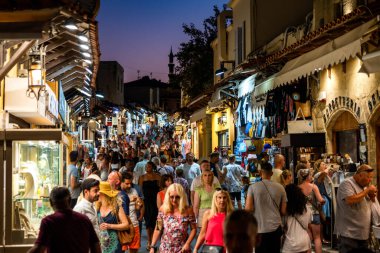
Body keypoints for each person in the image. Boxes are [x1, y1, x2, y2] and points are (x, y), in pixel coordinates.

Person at [27, 187, 101, 253]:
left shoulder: (48, 221)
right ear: (69, 200)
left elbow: (39, 249)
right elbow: (96, 246)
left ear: (51, 202)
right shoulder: (84, 219)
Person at [245, 161, 287, 253]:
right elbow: (284, 211)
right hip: (275, 227)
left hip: (259, 228)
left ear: (260, 172)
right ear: (271, 173)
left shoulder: (252, 187)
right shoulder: (280, 188)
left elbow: (248, 209)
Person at [336, 164, 377, 253]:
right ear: (360, 175)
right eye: (369, 177)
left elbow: (370, 205)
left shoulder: (364, 187)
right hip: (349, 235)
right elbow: (350, 200)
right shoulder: (346, 183)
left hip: (363, 234)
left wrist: (372, 197)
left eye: (371, 178)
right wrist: (367, 191)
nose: (370, 180)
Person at [149, 183, 197, 253]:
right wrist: (152, 246)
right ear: (168, 197)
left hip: (182, 248)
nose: (174, 200)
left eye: (177, 197)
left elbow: (194, 229)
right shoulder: (163, 209)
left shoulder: (188, 210)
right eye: (172, 197)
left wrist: (187, 243)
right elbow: (158, 228)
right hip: (165, 248)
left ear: (182, 197)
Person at [297, 164, 325, 253]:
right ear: (308, 176)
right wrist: (322, 201)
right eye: (310, 175)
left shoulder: (297, 188)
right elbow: (321, 200)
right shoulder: (313, 187)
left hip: (303, 215)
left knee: (308, 237)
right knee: (317, 238)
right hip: (314, 214)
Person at [96, 181, 130, 253]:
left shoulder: (116, 207)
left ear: (104, 194)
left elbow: (126, 225)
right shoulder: (96, 207)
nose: (96, 194)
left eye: (98, 192)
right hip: (100, 245)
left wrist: (110, 226)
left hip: (115, 246)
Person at [282, 184, 312, 253]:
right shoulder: (306, 208)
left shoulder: (285, 211)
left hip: (290, 243)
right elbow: (308, 225)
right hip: (304, 242)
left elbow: (282, 226)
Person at [138, 161, 161, 250]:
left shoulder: (158, 176)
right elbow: (140, 190)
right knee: (147, 221)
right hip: (146, 202)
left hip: (156, 201)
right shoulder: (142, 177)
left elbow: (160, 188)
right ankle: (149, 240)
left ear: (153, 167)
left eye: (149, 166)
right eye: (146, 167)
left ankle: (156, 241)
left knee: (157, 221)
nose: (148, 168)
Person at [120, 172, 142, 253]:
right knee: (121, 250)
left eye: (130, 183)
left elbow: (137, 208)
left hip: (134, 224)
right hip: (122, 226)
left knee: (134, 249)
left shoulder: (134, 191)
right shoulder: (118, 193)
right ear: (121, 182)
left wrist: (139, 205)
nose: (129, 185)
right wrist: (129, 201)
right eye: (127, 183)